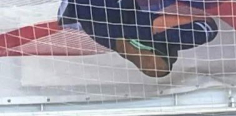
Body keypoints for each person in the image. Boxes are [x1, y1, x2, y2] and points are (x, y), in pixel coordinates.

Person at [59, 0, 219, 77]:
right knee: (206, 28)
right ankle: (157, 46)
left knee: (206, 28)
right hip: (107, 29)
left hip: (110, 16)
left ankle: (156, 44)